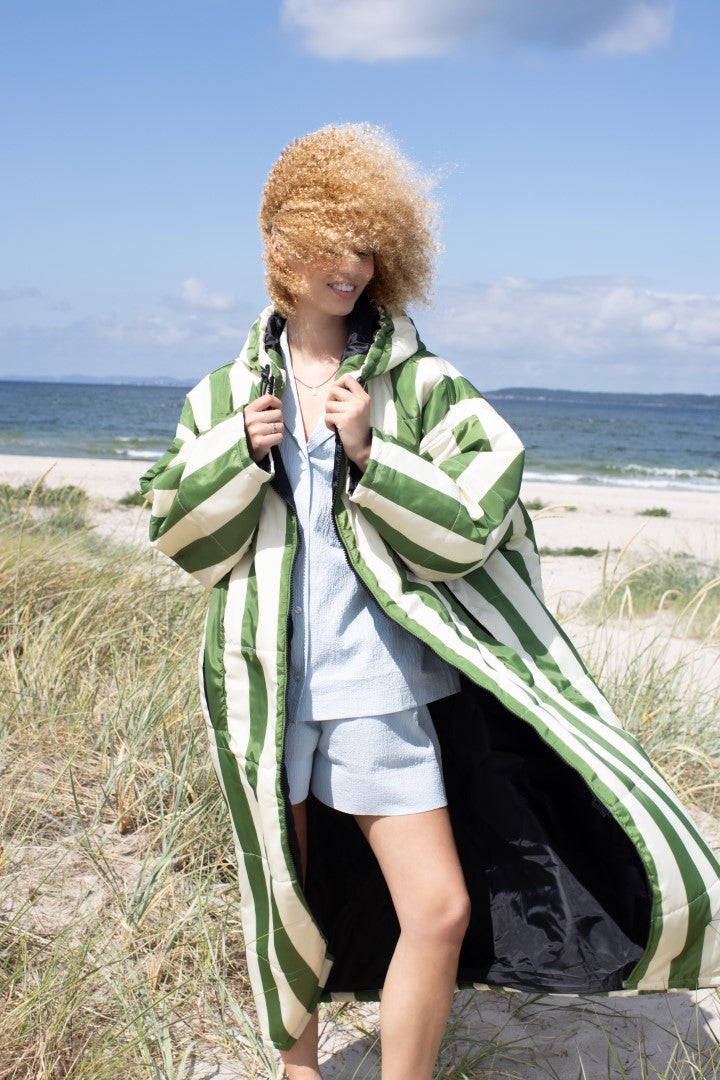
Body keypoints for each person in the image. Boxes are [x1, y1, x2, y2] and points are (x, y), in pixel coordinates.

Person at [140, 124, 720, 1080]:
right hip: (265, 687)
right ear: (281, 244)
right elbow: (179, 536)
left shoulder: (421, 382)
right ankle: (298, 1071)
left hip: (378, 686)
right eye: (331, 243)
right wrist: (236, 451)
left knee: (439, 908)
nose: (351, 266)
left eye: (369, 247)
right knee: (285, 895)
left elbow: (483, 510)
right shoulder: (223, 395)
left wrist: (372, 454)